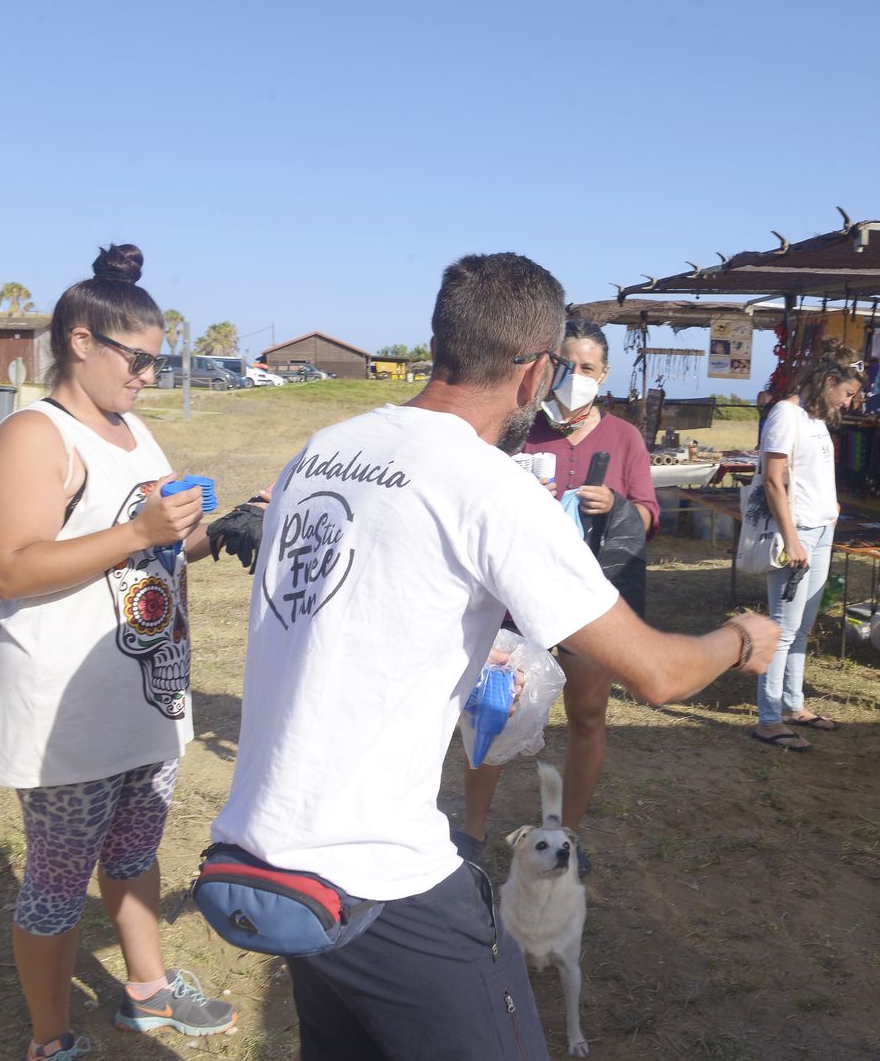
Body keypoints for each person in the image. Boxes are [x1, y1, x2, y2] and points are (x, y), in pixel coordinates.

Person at [209, 252, 778, 1060]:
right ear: (536, 371)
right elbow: (657, 671)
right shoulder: (488, 485)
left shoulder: (322, 451)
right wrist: (742, 638)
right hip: (382, 880)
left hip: (274, 858)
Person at [0, 245, 237, 1061]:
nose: (149, 376)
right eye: (139, 359)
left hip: (147, 693)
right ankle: (49, 1039)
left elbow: (152, 553)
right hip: (69, 709)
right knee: (56, 884)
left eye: (158, 361)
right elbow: (11, 567)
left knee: (134, 852)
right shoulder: (33, 434)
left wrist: (215, 533)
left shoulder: (132, 431)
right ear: (81, 341)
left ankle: (150, 994)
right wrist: (138, 532)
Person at [455, 318, 658, 877]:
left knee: (588, 717)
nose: (576, 378)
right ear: (549, 366)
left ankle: (565, 836)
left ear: (605, 374)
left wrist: (614, 505)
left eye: (588, 368)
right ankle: (472, 831)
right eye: (566, 366)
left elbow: (647, 515)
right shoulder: (518, 430)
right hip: (514, 601)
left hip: (587, 604)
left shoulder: (624, 439)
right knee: (494, 708)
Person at [752, 353, 866, 751]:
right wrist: (792, 537)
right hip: (797, 533)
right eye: (847, 393)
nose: (847, 403)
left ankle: (792, 704)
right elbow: (772, 481)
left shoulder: (816, 419)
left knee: (801, 625)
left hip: (820, 530)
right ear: (829, 379)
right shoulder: (786, 414)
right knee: (782, 628)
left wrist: (831, 509)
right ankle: (768, 718)